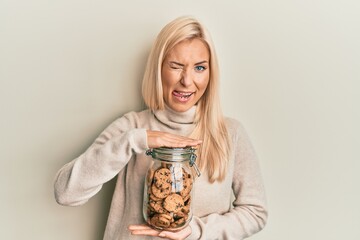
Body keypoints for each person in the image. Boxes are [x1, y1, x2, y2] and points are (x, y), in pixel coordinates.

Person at [54, 16, 267, 240]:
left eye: (200, 68)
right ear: (159, 68)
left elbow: (255, 212)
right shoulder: (132, 128)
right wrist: (135, 141)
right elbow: (66, 193)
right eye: (176, 66)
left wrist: (194, 231)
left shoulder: (230, 133)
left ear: (210, 73)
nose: (187, 80)